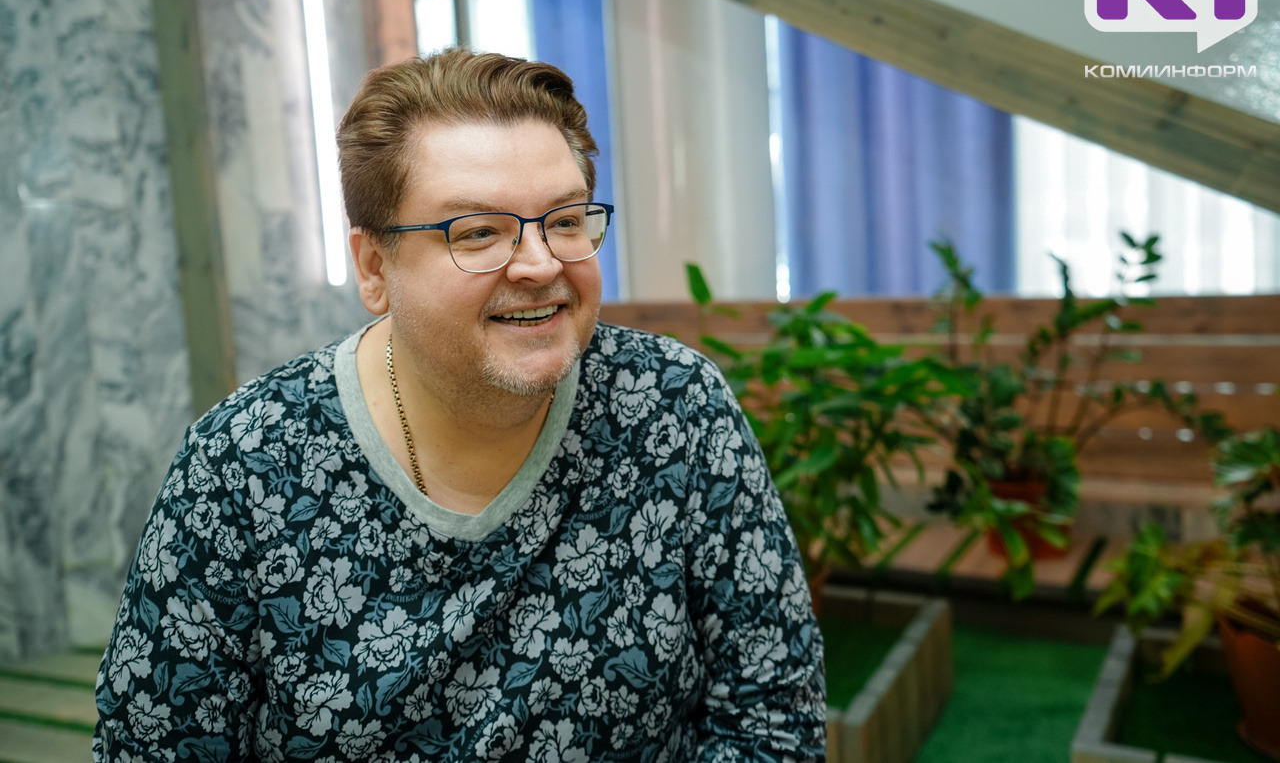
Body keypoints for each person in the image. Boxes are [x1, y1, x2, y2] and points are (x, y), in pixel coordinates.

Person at [94, 48, 826, 761]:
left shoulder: (674, 408)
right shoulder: (240, 468)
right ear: (375, 267)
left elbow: (771, 716)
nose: (540, 264)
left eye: (565, 221)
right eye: (477, 232)